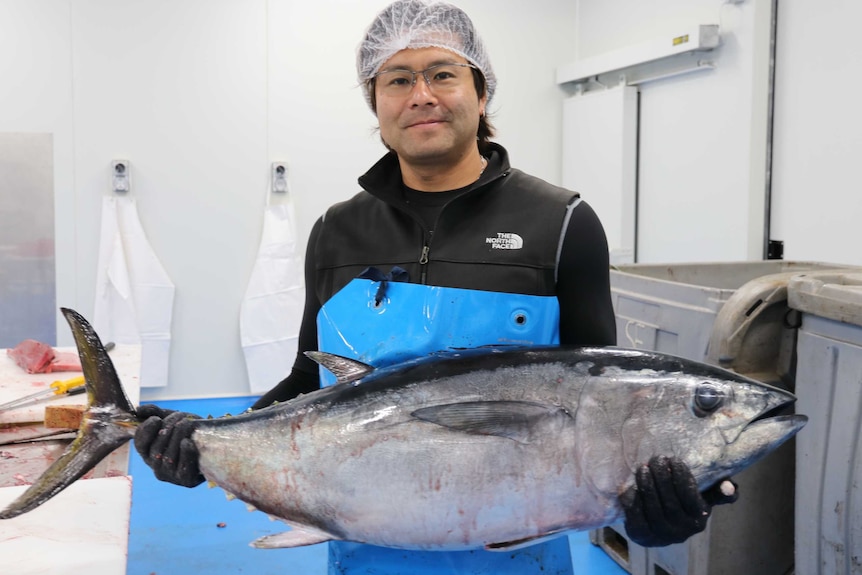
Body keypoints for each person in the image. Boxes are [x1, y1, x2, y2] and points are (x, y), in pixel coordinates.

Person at [135, 0, 736, 572]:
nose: (421, 96)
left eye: (442, 73)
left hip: (518, 560)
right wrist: (207, 446)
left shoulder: (561, 224)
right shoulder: (337, 230)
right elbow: (305, 379)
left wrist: (651, 509)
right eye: (397, 79)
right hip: (363, 553)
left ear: (480, 90)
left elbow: (596, 397)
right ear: (375, 102)